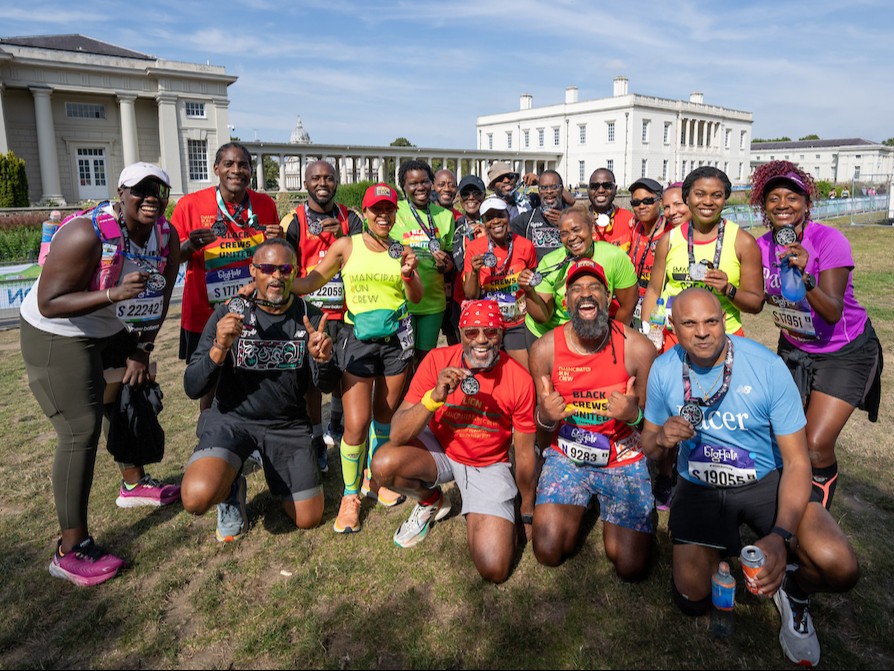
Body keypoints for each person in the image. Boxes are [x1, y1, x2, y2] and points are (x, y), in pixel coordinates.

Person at [641, 288, 859, 667]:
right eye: (689, 323)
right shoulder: (663, 369)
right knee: (692, 599)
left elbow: (796, 462)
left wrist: (781, 536)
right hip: (700, 485)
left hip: (764, 481)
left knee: (839, 564)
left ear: (724, 321)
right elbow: (648, 443)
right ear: (673, 326)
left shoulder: (766, 366)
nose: (703, 332)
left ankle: (794, 588)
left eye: (711, 321)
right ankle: (717, 551)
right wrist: (661, 438)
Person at [21, 162, 181, 585]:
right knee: (80, 428)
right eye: (140, 189)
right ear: (121, 193)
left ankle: (133, 484)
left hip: (111, 325)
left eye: (159, 190)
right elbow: (50, 301)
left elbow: (160, 298)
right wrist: (112, 293)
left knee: (135, 390)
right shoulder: (85, 233)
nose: (151, 197)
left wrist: (142, 349)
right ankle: (70, 549)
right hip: (58, 330)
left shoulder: (166, 234)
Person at [180, 239, 339, 541]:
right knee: (196, 497)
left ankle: (275, 470)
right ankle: (230, 488)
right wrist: (219, 346)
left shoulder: (312, 318)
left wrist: (324, 360)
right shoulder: (229, 313)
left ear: (295, 272)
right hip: (233, 420)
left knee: (309, 517)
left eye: (284, 269)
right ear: (253, 271)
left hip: (286, 425)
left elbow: (327, 384)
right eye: (266, 269)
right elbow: (192, 386)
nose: (276, 276)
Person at [370, 300, 537, 584]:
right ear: (460, 333)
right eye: (472, 332)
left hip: (488, 463)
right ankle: (430, 500)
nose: (481, 340)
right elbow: (397, 433)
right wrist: (433, 399)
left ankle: (487, 507)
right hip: (441, 446)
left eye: (491, 332)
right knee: (384, 465)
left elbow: (523, 452)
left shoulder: (519, 379)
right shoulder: (437, 360)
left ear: (502, 333)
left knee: (494, 568)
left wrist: (527, 511)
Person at [288, 183, 423, 532]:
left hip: (395, 341)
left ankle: (375, 480)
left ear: (395, 214)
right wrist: (273, 282)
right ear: (364, 213)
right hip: (357, 340)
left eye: (388, 209)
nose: (383, 215)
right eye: (376, 209)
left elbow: (417, 297)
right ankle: (350, 497)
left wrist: (408, 274)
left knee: (384, 417)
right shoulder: (346, 246)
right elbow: (310, 282)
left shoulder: (401, 250)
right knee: (355, 423)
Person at [750, 161, 883, 510]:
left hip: (844, 352)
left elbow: (832, 310)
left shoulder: (829, 240)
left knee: (815, 444)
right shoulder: (761, 246)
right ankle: (785, 504)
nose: (782, 204)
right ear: (763, 207)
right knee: (786, 437)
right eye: (773, 198)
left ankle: (811, 520)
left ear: (807, 204)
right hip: (793, 349)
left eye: (792, 197)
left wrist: (805, 275)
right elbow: (757, 300)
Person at [530, 259, 657, 579]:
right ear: (565, 300)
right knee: (547, 550)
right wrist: (545, 417)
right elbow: (543, 437)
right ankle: (579, 500)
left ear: (608, 296)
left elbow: (651, 429)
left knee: (631, 565)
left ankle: (611, 503)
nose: (585, 294)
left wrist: (633, 415)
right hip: (567, 453)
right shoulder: (545, 350)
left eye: (594, 287)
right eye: (576, 288)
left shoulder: (639, 348)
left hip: (623, 455)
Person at [171, 142, 282, 410]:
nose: (236, 170)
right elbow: (170, 257)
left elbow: (277, 255)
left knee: (255, 375)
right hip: (204, 313)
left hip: (256, 309)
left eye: (243, 164)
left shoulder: (265, 204)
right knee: (209, 378)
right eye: (229, 164)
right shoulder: (189, 205)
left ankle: (249, 435)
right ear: (216, 169)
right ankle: (208, 435)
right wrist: (189, 246)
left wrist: (280, 241)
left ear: (250, 171)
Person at [283, 159, 363, 470]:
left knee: (344, 376)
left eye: (329, 178)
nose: (323, 183)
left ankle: (337, 427)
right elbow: (287, 265)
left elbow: (364, 251)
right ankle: (316, 439)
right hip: (309, 316)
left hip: (346, 314)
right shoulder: (294, 219)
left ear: (337, 182)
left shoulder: (349, 217)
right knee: (312, 385)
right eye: (316, 178)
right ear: (305, 183)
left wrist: (344, 233)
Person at [640, 166, 763, 353]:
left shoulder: (743, 242)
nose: (708, 201)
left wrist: (728, 289)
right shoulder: (669, 240)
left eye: (716, 195)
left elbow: (756, 304)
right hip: (673, 339)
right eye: (700, 194)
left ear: (725, 198)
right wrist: (649, 333)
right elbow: (653, 291)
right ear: (687, 198)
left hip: (723, 339)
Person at [524, 206, 639, 350]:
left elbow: (628, 305)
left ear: (592, 228)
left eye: (576, 230)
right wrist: (529, 292)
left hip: (594, 331)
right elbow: (543, 317)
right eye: (564, 233)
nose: (571, 238)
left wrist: (612, 340)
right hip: (549, 332)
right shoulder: (549, 263)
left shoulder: (614, 257)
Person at [463, 196, 539, 368]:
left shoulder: (526, 246)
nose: (496, 221)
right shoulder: (474, 248)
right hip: (487, 324)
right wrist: (475, 271)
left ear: (508, 216)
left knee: (523, 371)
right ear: (482, 223)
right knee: (487, 372)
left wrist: (528, 284)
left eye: (500, 215)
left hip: (517, 322)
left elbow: (533, 284)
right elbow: (470, 294)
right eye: (489, 218)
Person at [392, 160, 455, 360]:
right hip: (400, 302)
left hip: (432, 304)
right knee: (401, 361)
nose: (420, 187)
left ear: (432, 183)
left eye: (425, 182)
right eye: (413, 183)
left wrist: (444, 264)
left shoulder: (445, 216)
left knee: (424, 360)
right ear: (403, 186)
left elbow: (451, 263)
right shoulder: (393, 211)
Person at [627, 178, 673, 330]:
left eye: (648, 201)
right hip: (635, 302)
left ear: (660, 202)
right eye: (636, 202)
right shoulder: (634, 228)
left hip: (661, 305)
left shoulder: (671, 231)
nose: (641, 206)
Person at [510, 169, 569, 262]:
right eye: (544, 188)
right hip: (538, 274)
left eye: (554, 187)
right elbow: (504, 232)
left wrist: (566, 224)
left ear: (561, 190)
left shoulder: (573, 216)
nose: (549, 191)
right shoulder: (527, 218)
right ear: (539, 191)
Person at [587, 168, 635, 252]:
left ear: (615, 189)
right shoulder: (579, 220)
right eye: (594, 186)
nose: (601, 190)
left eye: (607, 186)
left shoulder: (628, 219)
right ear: (588, 190)